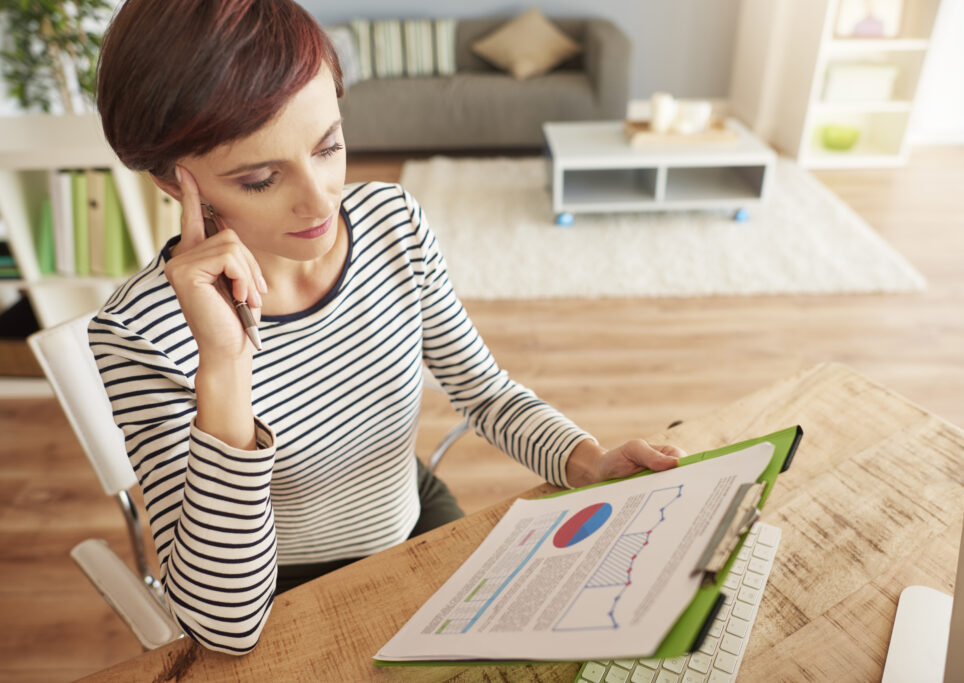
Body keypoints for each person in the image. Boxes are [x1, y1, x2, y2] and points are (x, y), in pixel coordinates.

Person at [88, 0, 684, 655]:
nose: (320, 200)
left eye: (330, 146)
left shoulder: (393, 225)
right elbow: (225, 624)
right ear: (174, 182)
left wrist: (588, 461)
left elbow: (484, 392)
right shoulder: (138, 333)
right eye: (261, 179)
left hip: (415, 520)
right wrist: (224, 363)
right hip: (283, 594)